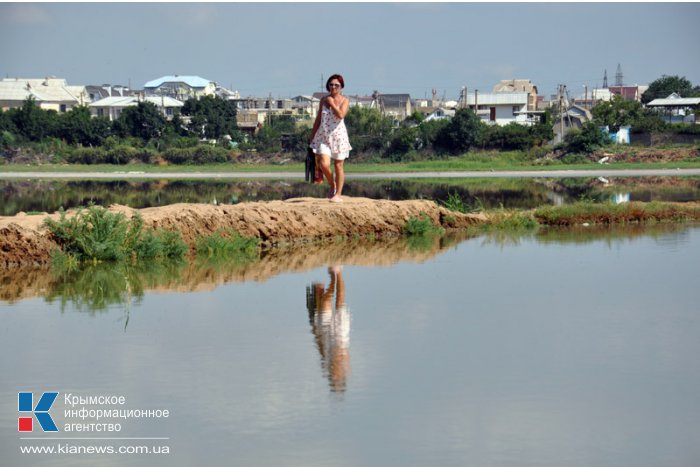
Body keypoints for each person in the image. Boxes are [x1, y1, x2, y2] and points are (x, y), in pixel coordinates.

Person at [309, 74, 352, 203]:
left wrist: (332, 104)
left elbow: (341, 115)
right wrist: (312, 135)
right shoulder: (323, 100)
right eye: (331, 84)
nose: (333, 87)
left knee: (339, 165)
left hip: (339, 136)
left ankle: (338, 194)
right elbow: (318, 119)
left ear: (341, 87)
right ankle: (332, 185)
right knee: (323, 163)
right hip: (324, 136)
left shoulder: (345, 100)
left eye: (336, 85)